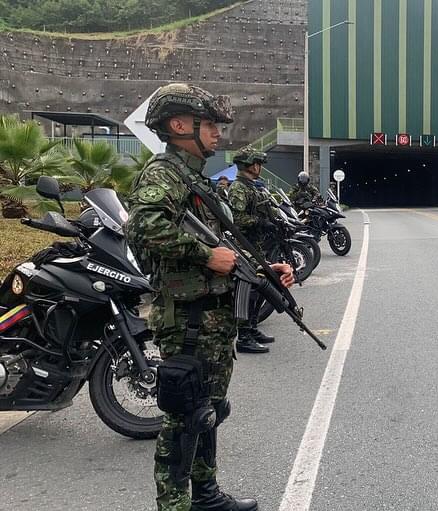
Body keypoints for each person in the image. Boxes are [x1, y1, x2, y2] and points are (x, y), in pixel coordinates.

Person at [125, 83, 294, 511]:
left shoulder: (194, 179)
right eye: (210, 124)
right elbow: (143, 228)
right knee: (185, 418)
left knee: (210, 410)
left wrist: (262, 271)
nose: (218, 133)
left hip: (212, 319)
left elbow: (225, 247)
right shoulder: (162, 174)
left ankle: (206, 495)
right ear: (179, 125)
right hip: (187, 318)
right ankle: (175, 505)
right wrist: (204, 255)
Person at [227, 146, 278, 354]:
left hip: (256, 245)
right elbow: (236, 219)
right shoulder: (239, 188)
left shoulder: (252, 186)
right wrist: (260, 222)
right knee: (248, 292)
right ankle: (244, 336)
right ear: (249, 164)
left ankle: (253, 327)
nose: (260, 167)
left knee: (259, 289)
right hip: (244, 246)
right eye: (257, 163)